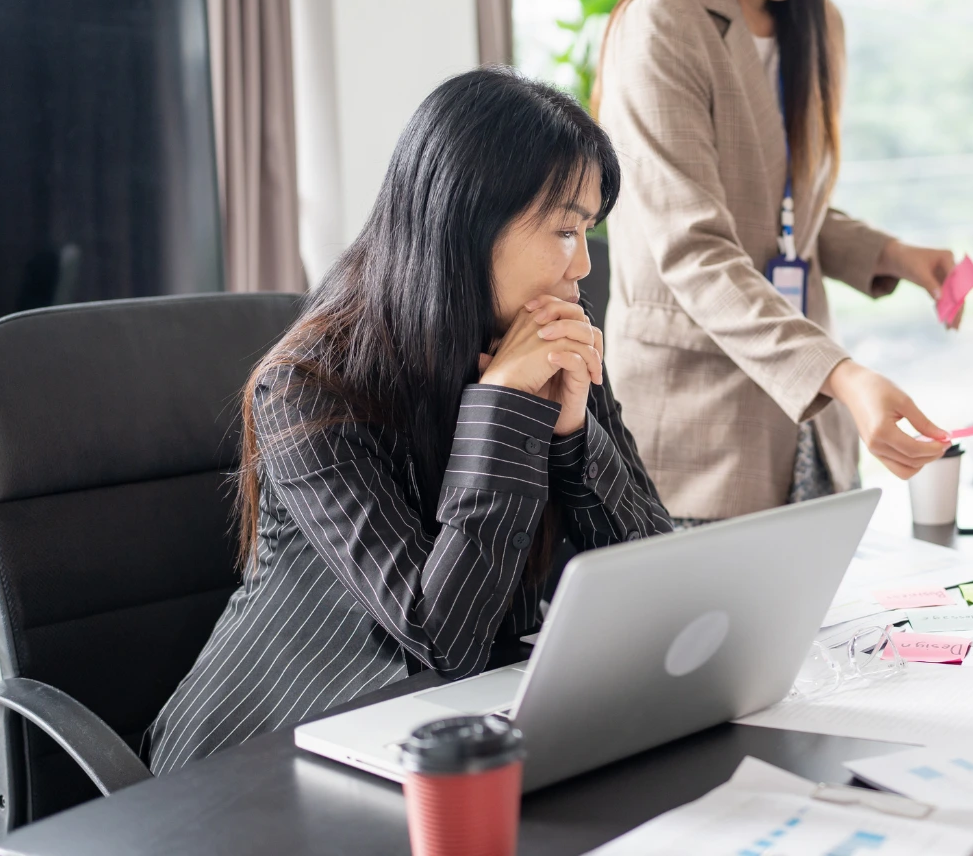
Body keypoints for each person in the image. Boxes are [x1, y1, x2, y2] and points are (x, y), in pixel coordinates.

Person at [144, 70, 672, 772]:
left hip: (443, 732)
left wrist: (574, 437)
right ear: (468, 223)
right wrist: (505, 409)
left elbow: (656, 574)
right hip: (266, 755)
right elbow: (444, 635)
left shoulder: (548, 339)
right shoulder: (307, 387)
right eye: (564, 230)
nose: (583, 263)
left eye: (588, 230)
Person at [596, 0, 959, 523]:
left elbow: (781, 207)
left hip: (800, 429)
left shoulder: (819, 29)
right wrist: (845, 375)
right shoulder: (663, 24)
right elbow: (694, 248)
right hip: (691, 429)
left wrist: (890, 255)